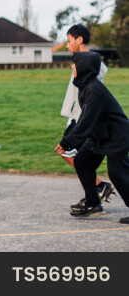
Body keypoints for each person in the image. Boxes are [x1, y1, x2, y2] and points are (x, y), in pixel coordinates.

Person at [58, 51, 129, 222]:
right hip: (100, 135)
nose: (72, 67)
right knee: (82, 162)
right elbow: (83, 117)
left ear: (84, 67)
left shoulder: (94, 89)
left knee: (117, 172)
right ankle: (93, 203)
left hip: (116, 135)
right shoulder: (86, 86)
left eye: (74, 64)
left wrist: (68, 142)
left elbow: (87, 119)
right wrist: (69, 135)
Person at [56, 25, 114, 207]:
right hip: (75, 115)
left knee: (68, 152)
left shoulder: (94, 65)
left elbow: (91, 94)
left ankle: (98, 188)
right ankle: (95, 192)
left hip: (80, 116)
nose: (67, 45)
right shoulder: (81, 61)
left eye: (70, 40)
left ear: (79, 40)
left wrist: (81, 117)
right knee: (78, 158)